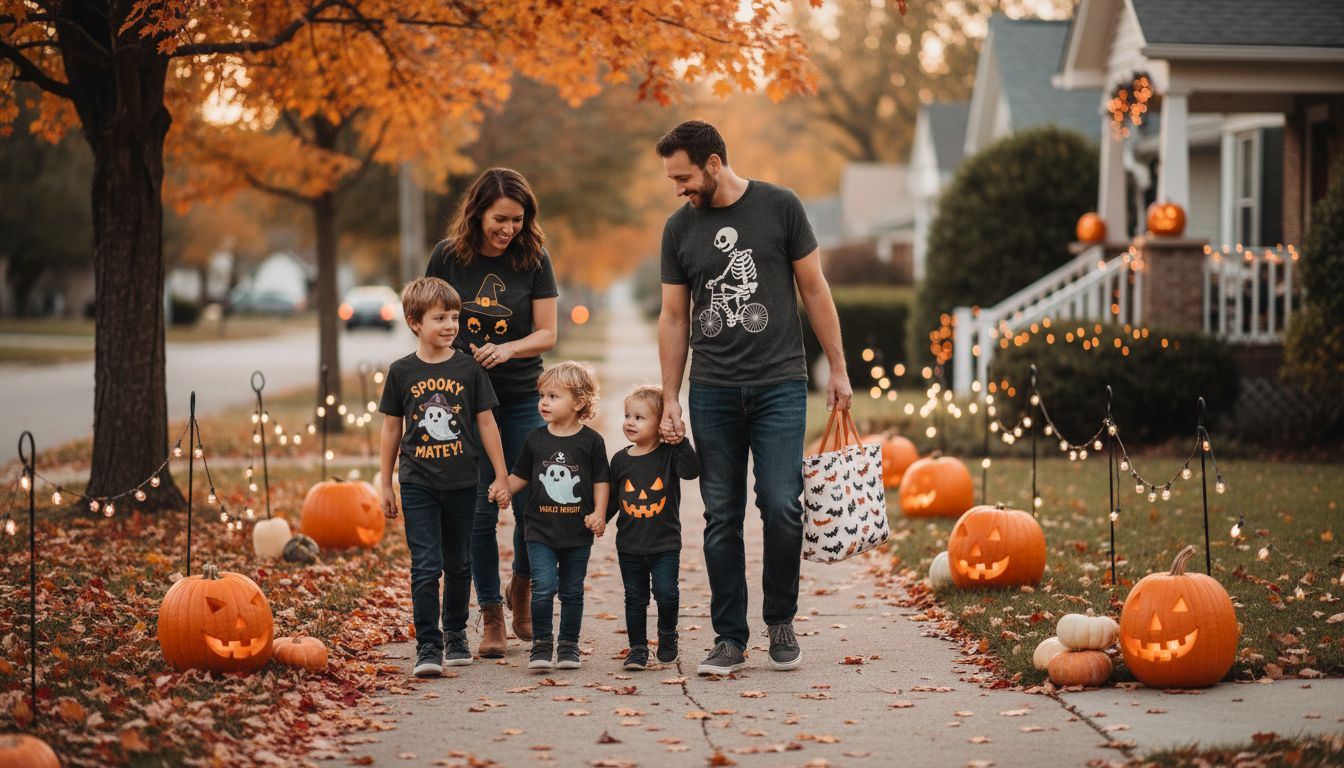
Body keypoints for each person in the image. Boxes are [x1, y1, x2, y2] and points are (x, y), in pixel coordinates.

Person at [655, 120, 852, 675]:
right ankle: (729, 637)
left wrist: (837, 368)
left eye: (684, 176)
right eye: (672, 179)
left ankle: (780, 620)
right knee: (721, 515)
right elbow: (674, 317)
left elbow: (814, 288)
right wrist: (671, 396)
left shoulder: (780, 207)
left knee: (784, 506)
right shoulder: (678, 229)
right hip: (712, 390)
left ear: (714, 162)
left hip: (780, 386)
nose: (679, 189)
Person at [427, 168, 559, 657]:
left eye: (518, 221)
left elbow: (547, 333)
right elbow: (428, 317)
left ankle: (520, 587)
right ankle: (491, 614)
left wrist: (508, 350)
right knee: (481, 511)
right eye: (500, 219)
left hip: (523, 395)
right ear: (477, 212)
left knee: (530, 505)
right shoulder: (447, 256)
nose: (508, 230)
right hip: (466, 402)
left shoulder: (533, 257)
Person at [378, 277, 512, 676]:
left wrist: (501, 475)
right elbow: (390, 429)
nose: (451, 325)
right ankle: (428, 646)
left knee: (458, 564)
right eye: (440, 318)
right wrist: (386, 483)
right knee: (426, 565)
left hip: (463, 482)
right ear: (414, 322)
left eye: (454, 317)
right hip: (418, 481)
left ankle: (455, 634)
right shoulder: (401, 371)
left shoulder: (468, 368)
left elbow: (486, 423)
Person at [504, 361, 610, 671]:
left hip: (577, 532)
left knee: (572, 590)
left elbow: (600, 481)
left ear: (578, 402)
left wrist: (600, 513)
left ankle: (568, 646)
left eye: (553, 396)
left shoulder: (591, 441)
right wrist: (503, 490)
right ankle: (541, 644)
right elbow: (520, 474)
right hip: (539, 529)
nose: (544, 403)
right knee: (544, 586)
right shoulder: (535, 438)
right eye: (542, 396)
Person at [605, 385, 699, 671]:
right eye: (627, 416)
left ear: (660, 424)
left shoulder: (669, 455)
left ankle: (667, 636)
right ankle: (637, 649)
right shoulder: (620, 459)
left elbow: (691, 471)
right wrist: (596, 519)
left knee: (667, 593)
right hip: (629, 544)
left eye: (639, 417)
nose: (630, 422)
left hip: (664, 543)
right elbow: (613, 499)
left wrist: (679, 439)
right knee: (635, 599)